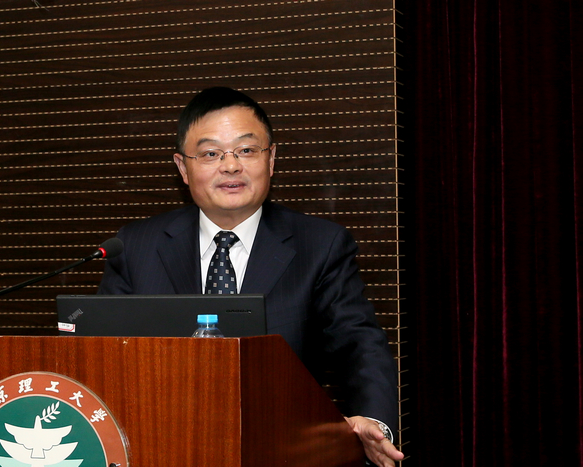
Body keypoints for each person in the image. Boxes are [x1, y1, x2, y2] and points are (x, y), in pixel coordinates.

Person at [98, 87, 404, 466]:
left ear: (271, 159)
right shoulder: (134, 247)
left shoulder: (320, 245)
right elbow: (104, 357)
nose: (230, 166)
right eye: (211, 154)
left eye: (246, 150)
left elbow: (360, 345)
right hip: (162, 447)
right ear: (183, 168)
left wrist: (375, 423)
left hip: (281, 452)